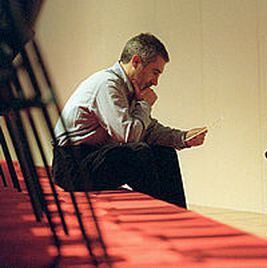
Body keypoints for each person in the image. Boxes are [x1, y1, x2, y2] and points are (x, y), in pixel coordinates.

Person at [52, 33, 206, 208]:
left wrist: (182, 138)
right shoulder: (108, 85)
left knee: (164, 152)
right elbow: (129, 135)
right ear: (136, 61)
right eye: (155, 73)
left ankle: (178, 214)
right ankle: (160, 213)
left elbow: (146, 129)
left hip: (92, 157)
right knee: (137, 152)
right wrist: (144, 105)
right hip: (72, 168)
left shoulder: (128, 87)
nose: (155, 82)